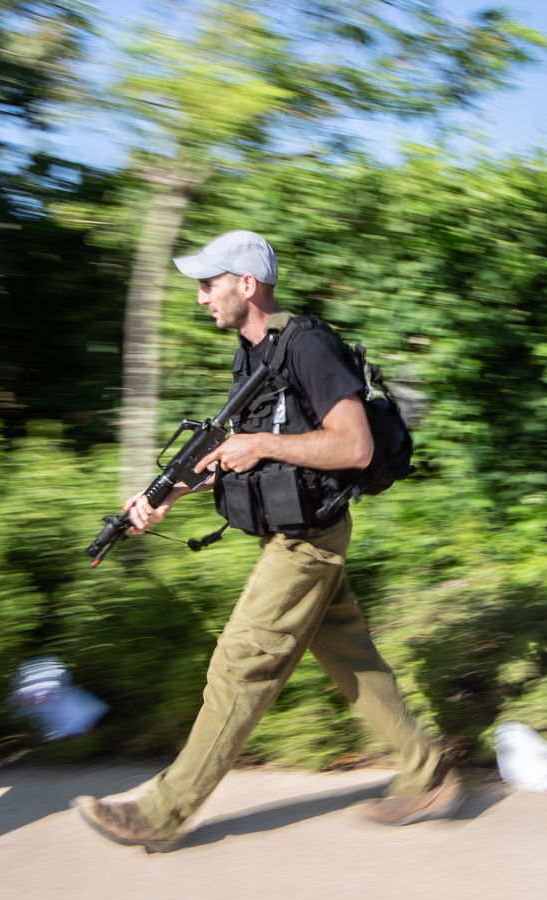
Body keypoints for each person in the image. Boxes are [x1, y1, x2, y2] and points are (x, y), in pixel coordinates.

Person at [72, 230, 462, 851]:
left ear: (246, 284)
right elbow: (239, 456)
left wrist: (261, 445)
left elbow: (353, 445)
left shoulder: (307, 345)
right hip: (291, 532)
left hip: (307, 539)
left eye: (209, 284)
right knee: (351, 658)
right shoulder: (253, 353)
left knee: (239, 665)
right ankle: (429, 771)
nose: (201, 297)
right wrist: (165, 497)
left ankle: (161, 813)